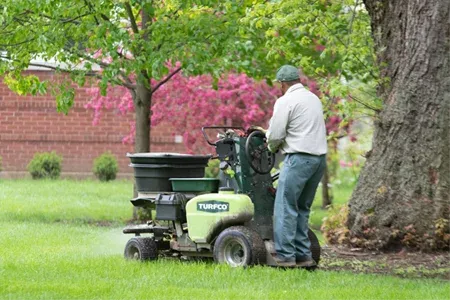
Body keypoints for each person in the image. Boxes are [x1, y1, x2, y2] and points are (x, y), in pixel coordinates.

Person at [266, 65, 327, 267]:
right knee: (302, 208)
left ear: (283, 84)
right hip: (319, 160)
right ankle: (304, 256)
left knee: (285, 206)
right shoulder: (313, 99)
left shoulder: (286, 101)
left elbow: (275, 135)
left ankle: (285, 256)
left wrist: (270, 146)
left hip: (299, 159)